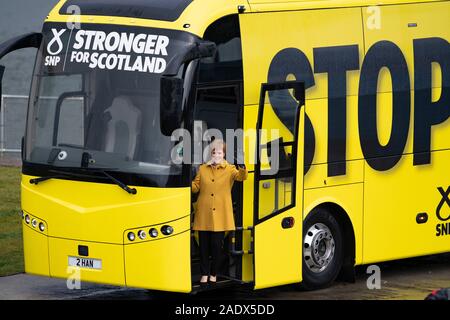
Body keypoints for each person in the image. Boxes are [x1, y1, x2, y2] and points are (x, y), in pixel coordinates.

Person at [191, 139, 248, 285]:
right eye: (214, 152)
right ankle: (204, 274)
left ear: (224, 154)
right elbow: (196, 187)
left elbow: (241, 177)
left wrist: (243, 167)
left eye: (220, 152)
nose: (217, 154)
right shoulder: (202, 169)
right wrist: (184, 182)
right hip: (203, 214)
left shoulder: (230, 169)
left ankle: (214, 273)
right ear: (211, 153)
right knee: (203, 247)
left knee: (216, 247)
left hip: (221, 215)